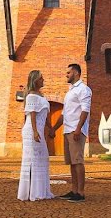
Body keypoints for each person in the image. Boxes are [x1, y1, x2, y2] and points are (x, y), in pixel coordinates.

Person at [49, 63, 91, 202]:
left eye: (69, 72)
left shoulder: (83, 89)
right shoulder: (70, 92)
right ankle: (74, 190)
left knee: (78, 161)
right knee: (72, 162)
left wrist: (79, 128)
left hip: (76, 130)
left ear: (77, 73)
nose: (66, 74)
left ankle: (81, 193)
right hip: (68, 130)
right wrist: (54, 128)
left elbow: (85, 110)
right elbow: (64, 114)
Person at [17, 70, 54, 201]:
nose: (43, 79)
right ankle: (32, 192)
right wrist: (35, 131)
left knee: (42, 158)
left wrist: (50, 128)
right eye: (41, 78)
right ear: (36, 80)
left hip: (38, 130)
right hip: (31, 131)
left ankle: (39, 190)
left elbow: (45, 115)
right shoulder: (31, 96)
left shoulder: (42, 96)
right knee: (33, 159)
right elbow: (32, 114)